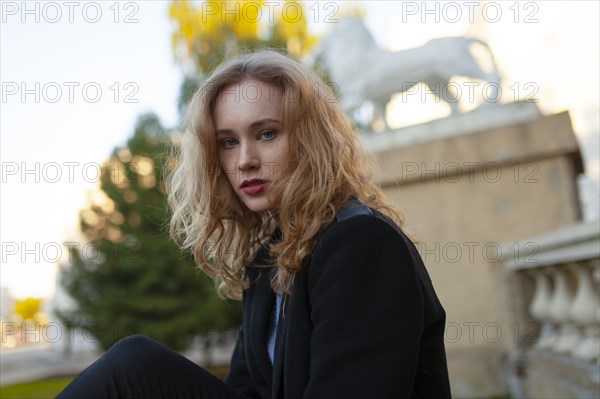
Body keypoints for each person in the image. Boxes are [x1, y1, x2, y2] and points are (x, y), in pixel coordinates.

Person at [56, 49, 451, 399]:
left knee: (134, 366)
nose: (244, 159)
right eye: (228, 142)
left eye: (266, 133)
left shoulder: (361, 243)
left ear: (312, 140)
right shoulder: (268, 261)